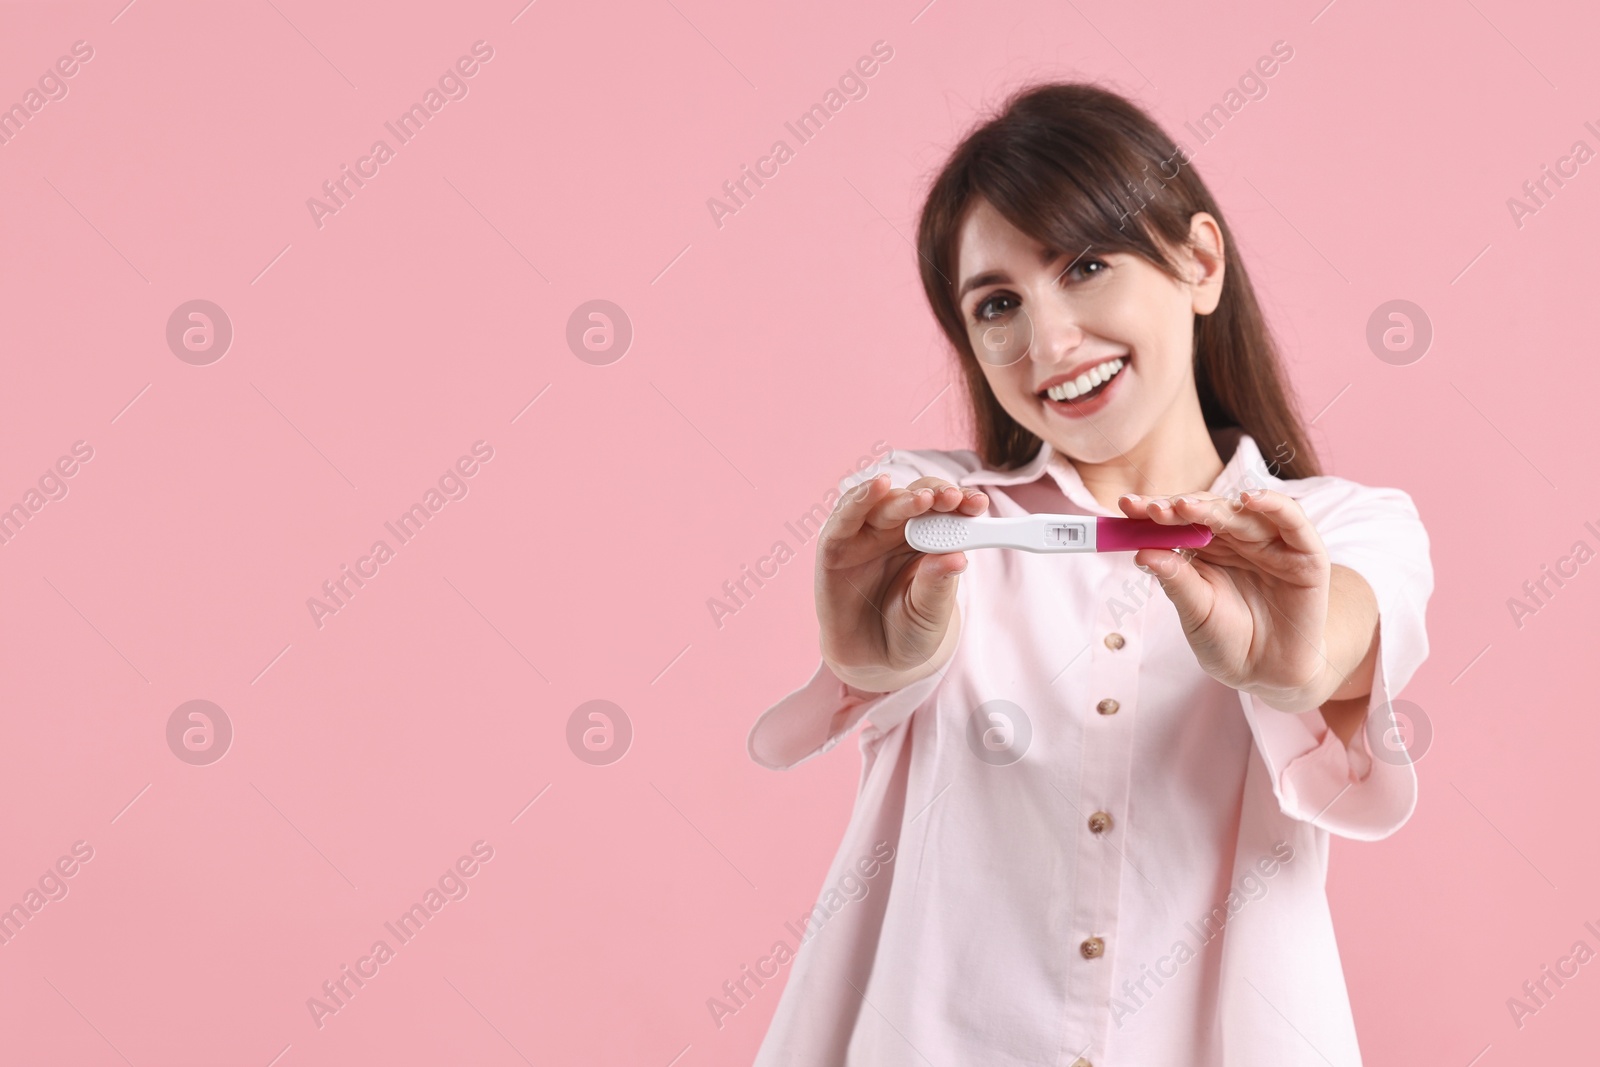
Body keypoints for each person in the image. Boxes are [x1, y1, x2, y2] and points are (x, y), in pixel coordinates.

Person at [745, 81, 1433, 1066]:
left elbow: (1338, 638)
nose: (1047, 342)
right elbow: (881, 623)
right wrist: (874, 662)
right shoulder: (932, 518)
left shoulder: (1346, 527)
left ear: (1198, 261)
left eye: (1088, 265)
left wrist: (1288, 667)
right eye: (996, 305)